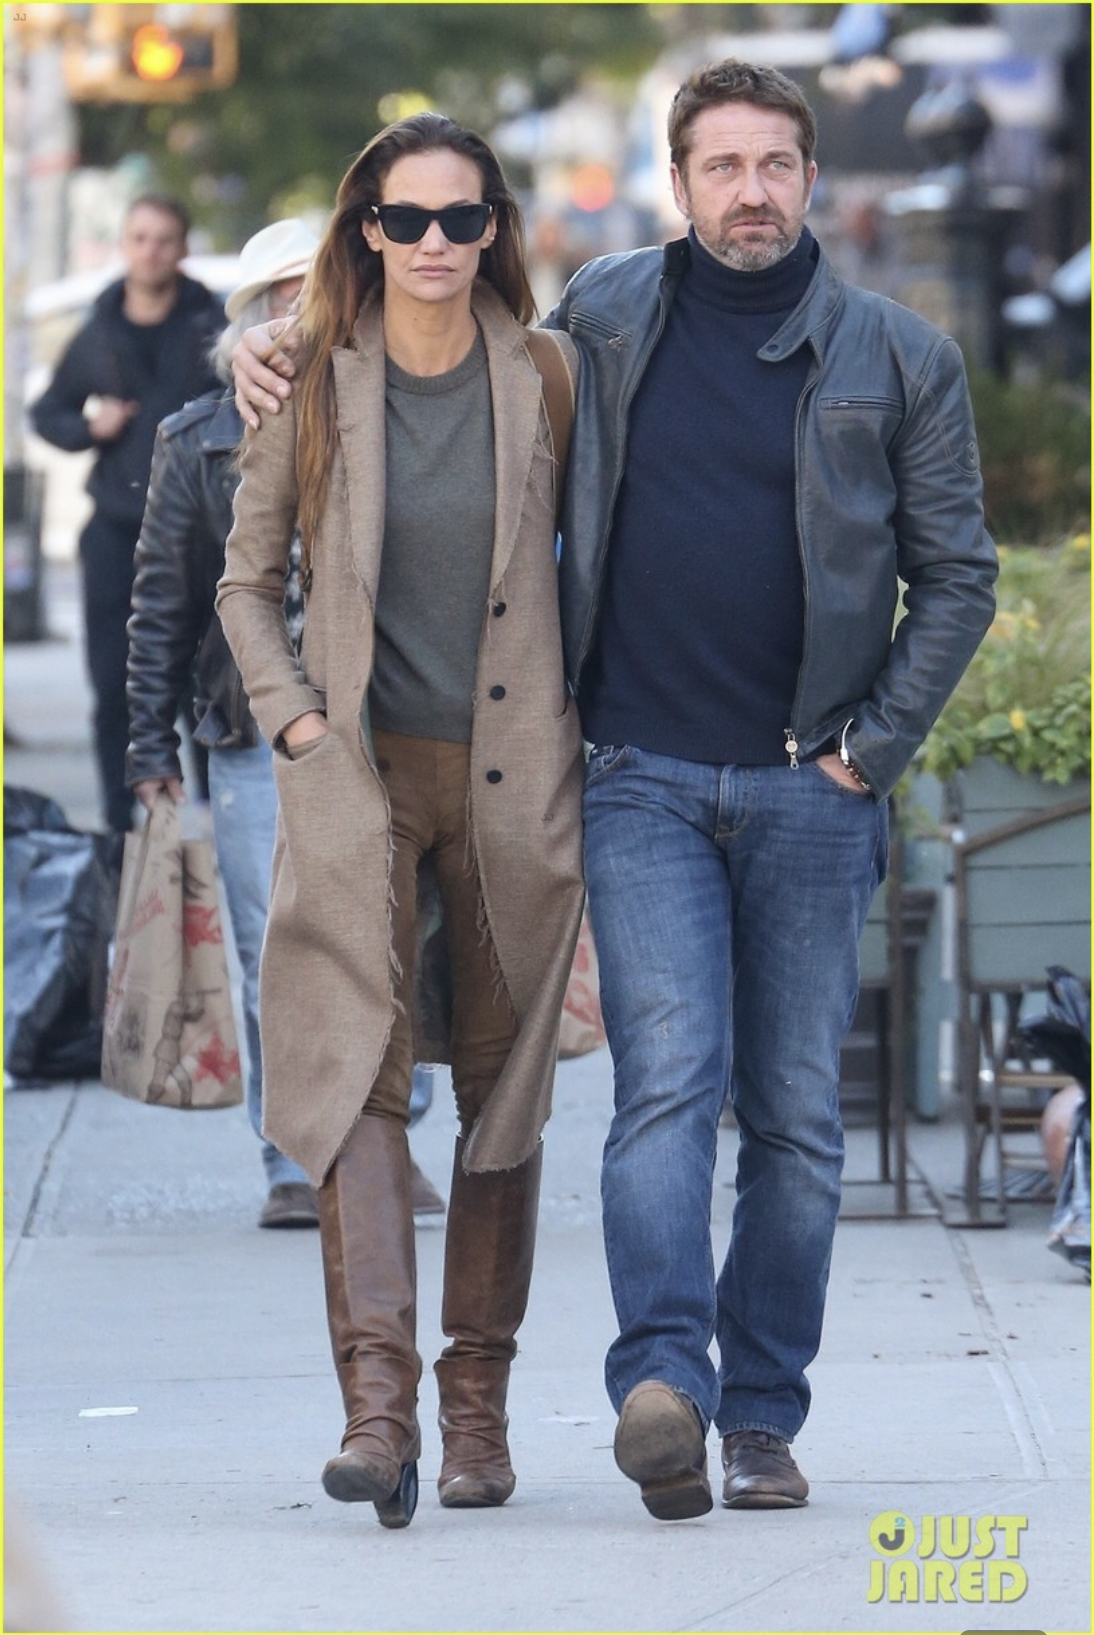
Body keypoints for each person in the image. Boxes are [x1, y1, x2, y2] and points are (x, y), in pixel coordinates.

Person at [229, 63, 996, 1523]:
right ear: (678, 182)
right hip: (636, 774)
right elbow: (388, 366)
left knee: (793, 1121)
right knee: (663, 1091)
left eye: (775, 164)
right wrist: (272, 345)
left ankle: (756, 1416)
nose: (751, 191)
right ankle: (660, 1390)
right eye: (722, 166)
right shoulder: (610, 314)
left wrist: (867, 751)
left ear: (811, 176)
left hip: (804, 784)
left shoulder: (890, 356)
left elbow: (958, 575)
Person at [215, 113, 584, 1529]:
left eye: (462, 217)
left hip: (510, 780)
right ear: (364, 229)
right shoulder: (312, 378)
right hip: (356, 780)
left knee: (500, 1087)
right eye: (407, 218)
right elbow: (247, 582)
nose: (435, 242)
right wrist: (297, 724)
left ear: (495, 230)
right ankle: (378, 1414)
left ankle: (476, 1410)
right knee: (353, 1074)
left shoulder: (545, 375)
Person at [125, 220, 323, 1231]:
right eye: (280, 292)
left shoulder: (395, 407)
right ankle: (292, 1158)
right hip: (252, 734)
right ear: (249, 316)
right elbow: (162, 601)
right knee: (273, 950)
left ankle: (379, 1133)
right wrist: (147, 742)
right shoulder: (196, 438)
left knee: (398, 944)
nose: (299, 308)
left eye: (315, 286)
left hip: (387, 725)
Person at [31, 195, 225, 837]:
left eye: (164, 239)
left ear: (182, 248)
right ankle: (119, 827)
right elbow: (48, 413)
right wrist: (91, 426)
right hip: (116, 532)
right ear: (123, 245)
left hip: (200, 533)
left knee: (202, 681)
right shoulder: (99, 329)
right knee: (113, 680)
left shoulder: (211, 326)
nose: (151, 251)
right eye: (139, 238)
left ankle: (213, 817)